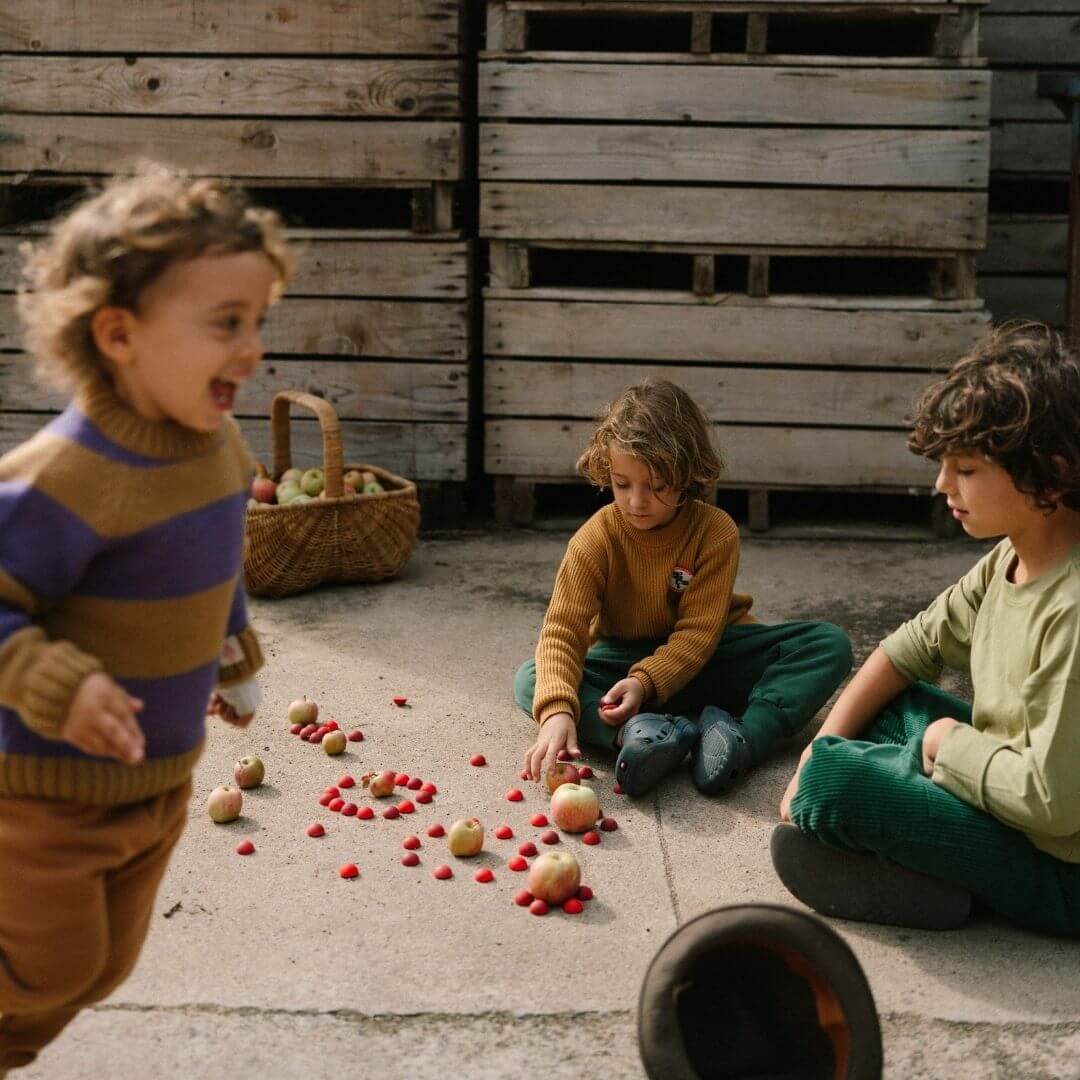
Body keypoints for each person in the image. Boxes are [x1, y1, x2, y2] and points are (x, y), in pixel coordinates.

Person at [0, 165, 293, 1074]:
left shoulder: (219, 446)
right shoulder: (66, 476)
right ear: (119, 333)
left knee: (101, 972)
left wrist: (235, 654)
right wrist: (53, 678)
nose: (248, 349)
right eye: (223, 323)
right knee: (54, 965)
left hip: (156, 785)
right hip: (38, 798)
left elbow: (213, 562)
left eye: (255, 321)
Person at [773, 322, 1080, 934]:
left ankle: (929, 862)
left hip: (1059, 868)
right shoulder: (1010, 559)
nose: (942, 485)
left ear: (1048, 473)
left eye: (965, 469)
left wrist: (941, 744)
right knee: (888, 706)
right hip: (1012, 787)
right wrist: (813, 750)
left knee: (839, 782)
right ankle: (921, 849)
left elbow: (1053, 803)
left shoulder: (1072, 608)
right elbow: (907, 649)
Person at [514, 378, 852, 796]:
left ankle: (740, 740)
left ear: (687, 474)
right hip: (624, 664)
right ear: (608, 471)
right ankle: (636, 736)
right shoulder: (594, 540)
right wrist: (557, 714)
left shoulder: (715, 531)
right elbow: (562, 631)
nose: (637, 501)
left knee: (828, 644)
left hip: (712, 655)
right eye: (623, 484)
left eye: (657, 487)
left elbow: (698, 635)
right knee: (534, 679)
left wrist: (646, 683)